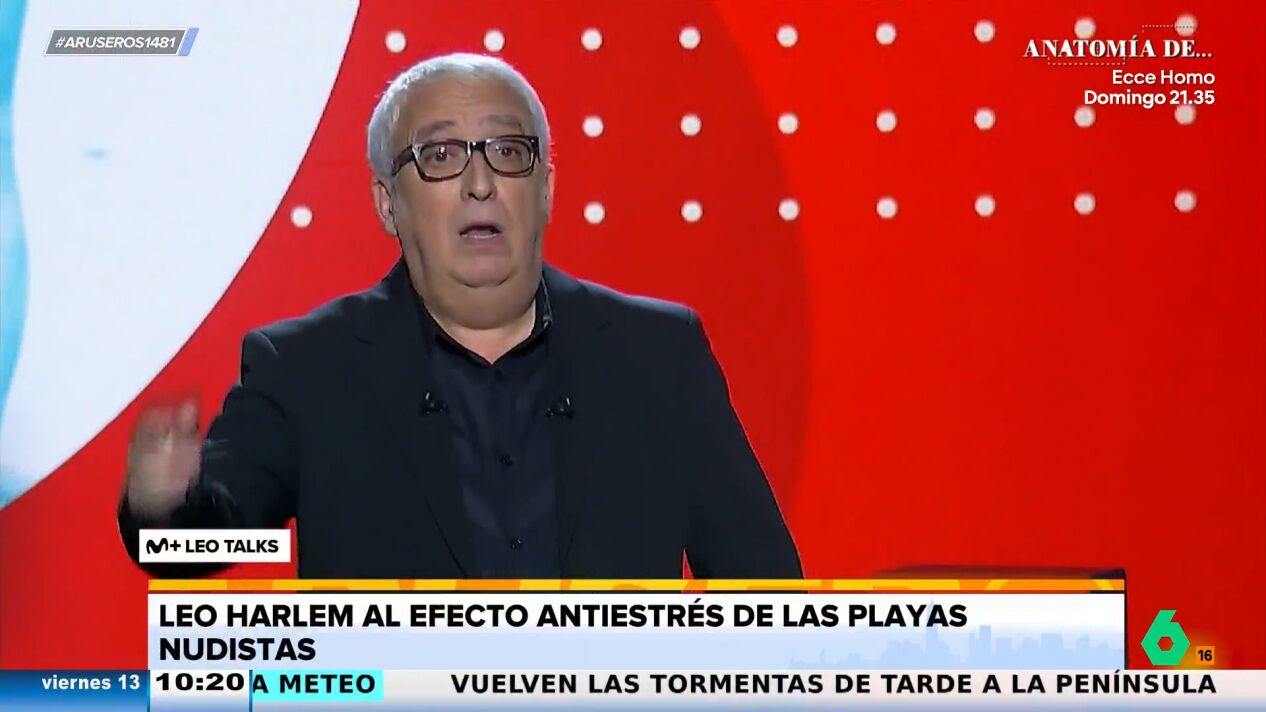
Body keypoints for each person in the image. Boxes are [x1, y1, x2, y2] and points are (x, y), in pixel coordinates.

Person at [118, 53, 800, 579]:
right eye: (439, 157)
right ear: (388, 204)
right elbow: (196, 546)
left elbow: (764, 590)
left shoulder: (657, 354)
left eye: (508, 152)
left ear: (546, 189)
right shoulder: (307, 368)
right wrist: (161, 506)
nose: (480, 184)